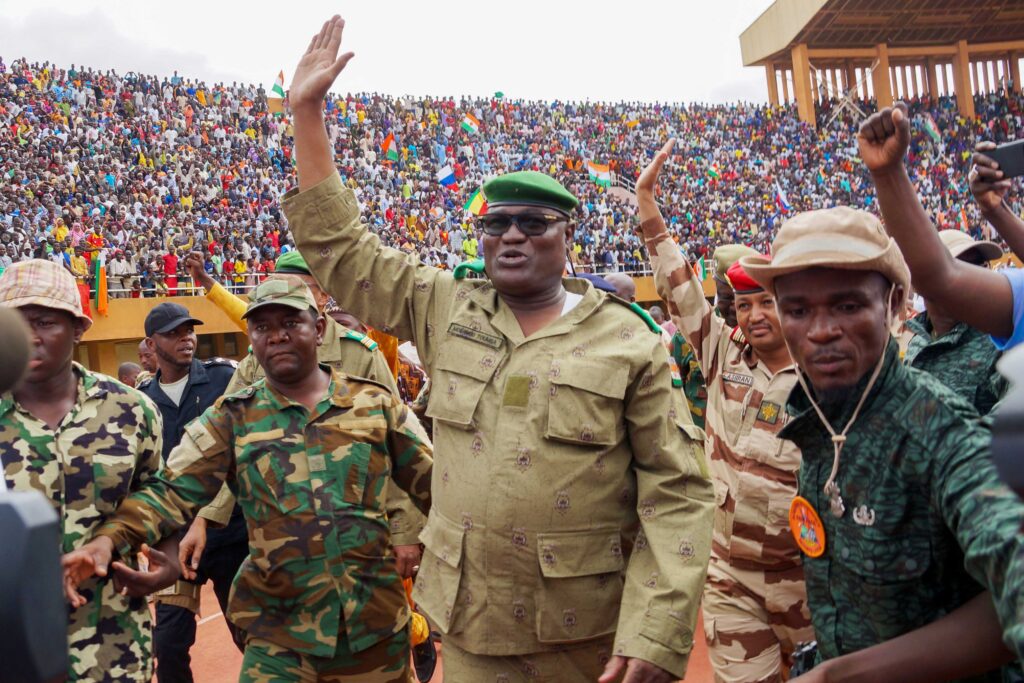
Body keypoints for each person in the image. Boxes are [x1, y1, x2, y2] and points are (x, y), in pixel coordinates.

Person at [283, 17, 713, 682]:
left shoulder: (627, 336)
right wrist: (308, 115)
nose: (510, 235)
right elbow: (344, 253)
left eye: (533, 223)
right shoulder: (444, 304)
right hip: (475, 632)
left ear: (566, 233)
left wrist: (655, 631)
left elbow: (678, 490)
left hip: (588, 637)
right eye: (494, 223)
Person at [63, 277, 433, 683]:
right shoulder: (232, 416)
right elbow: (170, 491)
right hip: (279, 635)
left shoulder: (374, 404)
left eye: (291, 323)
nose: (276, 337)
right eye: (262, 328)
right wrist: (109, 539)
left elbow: (438, 490)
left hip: (372, 629)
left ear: (321, 329)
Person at [740, 204, 1024, 681]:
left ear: (893, 305)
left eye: (848, 306)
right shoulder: (823, 412)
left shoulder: (936, 431)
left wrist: (841, 675)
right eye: (798, 310)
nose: (821, 330)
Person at [638, 141, 813, 682]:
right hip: (730, 578)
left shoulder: (825, 374)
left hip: (807, 581)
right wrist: (648, 205)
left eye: (767, 301)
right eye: (743, 305)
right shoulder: (722, 355)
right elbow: (678, 286)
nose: (755, 315)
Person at [184, 249, 427, 579]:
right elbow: (223, 447)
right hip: (285, 540)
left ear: (323, 296)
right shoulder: (256, 363)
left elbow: (398, 447)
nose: (284, 298)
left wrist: (404, 531)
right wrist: (204, 516)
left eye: (297, 288)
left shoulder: (362, 355)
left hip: (360, 535)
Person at [0, 259, 177, 682]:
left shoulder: (131, 410)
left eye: (43, 322)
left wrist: (166, 567)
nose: (28, 338)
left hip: (112, 646)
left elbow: (160, 491)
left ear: (79, 328)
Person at [139, 302, 246, 682]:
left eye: (189, 330)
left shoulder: (224, 379)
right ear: (151, 344)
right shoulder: (141, 402)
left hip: (231, 535)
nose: (186, 338)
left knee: (252, 639)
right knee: (167, 647)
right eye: (173, 333)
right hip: (175, 541)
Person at [857, 103, 1018, 349]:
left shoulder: (985, 338)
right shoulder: (912, 345)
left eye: (981, 265)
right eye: (966, 263)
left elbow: (940, 278)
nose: (978, 273)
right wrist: (888, 173)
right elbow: (939, 277)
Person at [903, 230, 1006, 415]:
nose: (975, 276)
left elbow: (1011, 425)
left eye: (980, 267)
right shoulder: (918, 342)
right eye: (960, 267)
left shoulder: (1000, 341)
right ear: (924, 282)